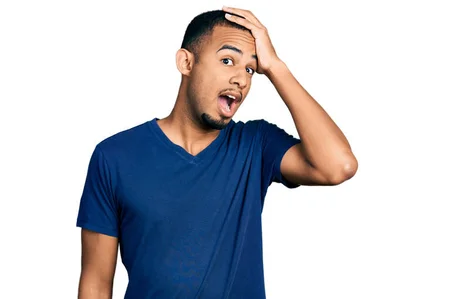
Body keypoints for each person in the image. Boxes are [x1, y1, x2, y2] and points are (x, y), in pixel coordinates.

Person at [76, 7, 357, 299]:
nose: (242, 79)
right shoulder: (114, 156)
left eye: (250, 68)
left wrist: (275, 67)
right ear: (186, 62)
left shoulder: (255, 145)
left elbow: (339, 165)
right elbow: (95, 284)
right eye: (227, 60)